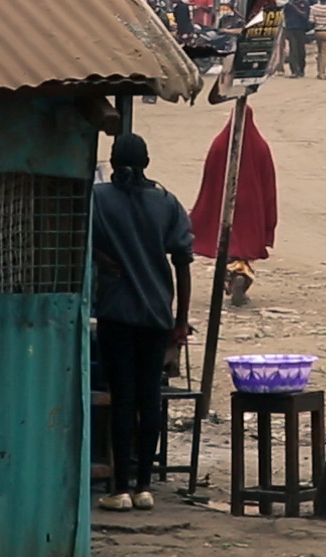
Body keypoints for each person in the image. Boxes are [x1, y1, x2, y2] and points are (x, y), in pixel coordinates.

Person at [91, 134, 194, 513]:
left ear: (113, 162)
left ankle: (118, 489)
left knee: (122, 398)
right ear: (148, 161)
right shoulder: (166, 202)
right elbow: (183, 260)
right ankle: (145, 486)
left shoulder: (99, 199)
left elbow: (76, 235)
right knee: (150, 397)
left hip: (117, 315)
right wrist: (180, 319)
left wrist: (101, 257)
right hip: (156, 315)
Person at [190, 106, 278, 306]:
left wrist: (205, 208)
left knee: (228, 244)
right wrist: (269, 219)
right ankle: (240, 276)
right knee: (244, 247)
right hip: (251, 206)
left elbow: (209, 180)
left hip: (224, 204)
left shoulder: (220, 144)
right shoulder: (261, 147)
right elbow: (269, 184)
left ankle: (232, 276)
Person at [282, 0, 311, 78]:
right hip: (291, 28)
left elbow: (304, 15)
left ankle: (301, 69)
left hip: (301, 28)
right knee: (293, 50)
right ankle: (294, 71)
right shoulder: (289, 4)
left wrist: (294, 7)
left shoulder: (304, 2)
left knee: (301, 50)